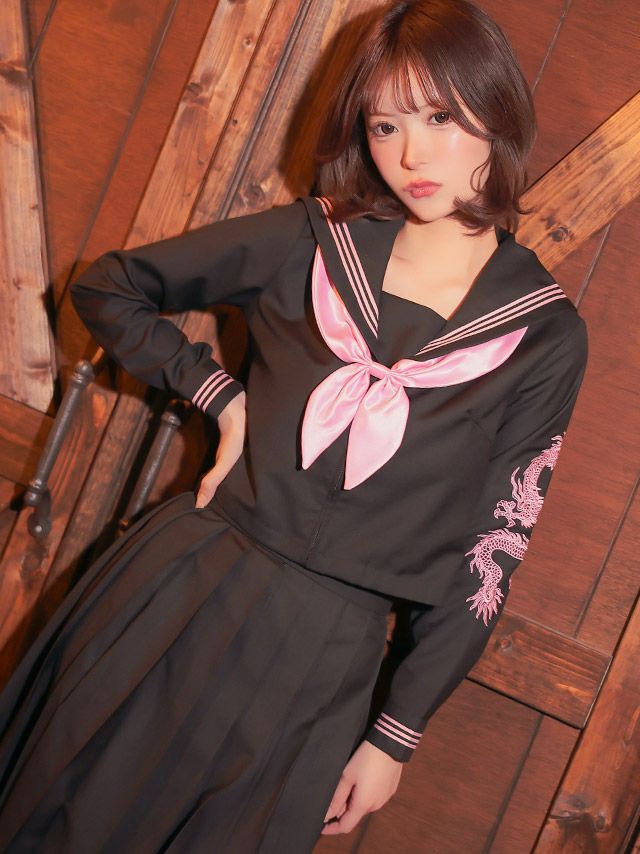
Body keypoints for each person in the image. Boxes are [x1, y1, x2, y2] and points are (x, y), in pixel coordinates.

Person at [0, 0, 588, 851]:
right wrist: (218, 395)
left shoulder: (544, 335)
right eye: (385, 125)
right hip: (179, 595)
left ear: (495, 113)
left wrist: (396, 735)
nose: (411, 155)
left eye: (439, 118)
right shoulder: (313, 241)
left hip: (324, 660)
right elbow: (108, 289)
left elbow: (493, 551)